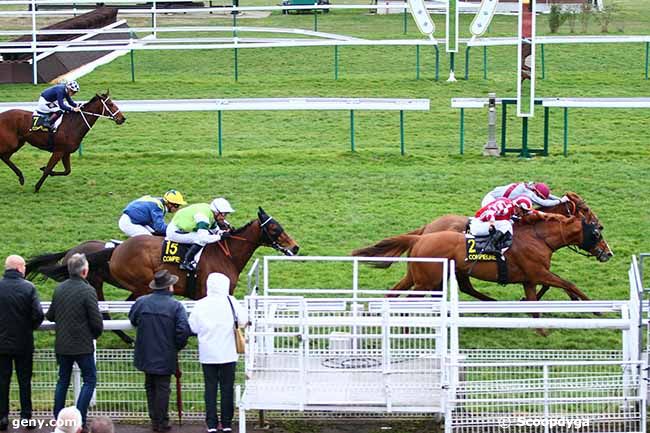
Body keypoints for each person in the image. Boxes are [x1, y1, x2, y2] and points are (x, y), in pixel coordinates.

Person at [47, 254, 103, 431]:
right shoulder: (88, 291)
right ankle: (78, 420)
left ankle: (61, 420)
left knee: (62, 380)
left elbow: (50, 315)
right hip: (83, 345)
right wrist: (94, 334)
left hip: (62, 344)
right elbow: (96, 322)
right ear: (85, 271)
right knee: (90, 380)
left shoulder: (59, 289)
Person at [129, 270, 190, 432]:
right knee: (163, 387)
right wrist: (176, 346)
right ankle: (161, 422)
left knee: (150, 386)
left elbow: (133, 319)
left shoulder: (142, 302)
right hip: (166, 354)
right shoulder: (176, 306)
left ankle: (156, 420)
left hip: (145, 353)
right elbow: (183, 330)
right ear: (169, 287)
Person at [189, 273, 248, 433]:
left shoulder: (200, 304)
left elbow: (193, 327)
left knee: (210, 388)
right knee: (227, 388)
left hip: (208, 353)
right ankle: (227, 423)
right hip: (228, 352)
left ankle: (212, 423)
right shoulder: (232, 302)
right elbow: (243, 321)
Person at [0, 255, 44, 432]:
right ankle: (26, 418)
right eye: (24, 266)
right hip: (23, 343)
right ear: (19, 268)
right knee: (24, 382)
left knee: (2, 381)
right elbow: (38, 315)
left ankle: (2, 418)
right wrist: (29, 327)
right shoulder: (29, 288)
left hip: (1, 344)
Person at [166, 197, 236, 271]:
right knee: (201, 239)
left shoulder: (210, 213)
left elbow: (215, 230)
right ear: (216, 212)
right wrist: (220, 237)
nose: (224, 217)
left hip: (182, 227)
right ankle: (186, 262)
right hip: (174, 232)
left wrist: (223, 233)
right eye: (224, 214)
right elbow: (203, 238)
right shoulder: (203, 217)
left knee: (207, 235)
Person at [119, 190, 187, 237]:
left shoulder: (158, 203)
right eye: (177, 205)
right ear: (169, 204)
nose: (178, 208)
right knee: (147, 239)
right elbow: (159, 228)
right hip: (129, 222)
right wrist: (175, 229)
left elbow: (156, 227)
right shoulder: (158, 206)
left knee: (153, 235)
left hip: (136, 220)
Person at [480, 181, 569, 208]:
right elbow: (544, 203)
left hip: (494, 196)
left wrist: (561, 199)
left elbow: (547, 196)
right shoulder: (529, 194)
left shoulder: (529, 186)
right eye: (538, 196)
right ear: (536, 192)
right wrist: (561, 201)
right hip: (491, 200)